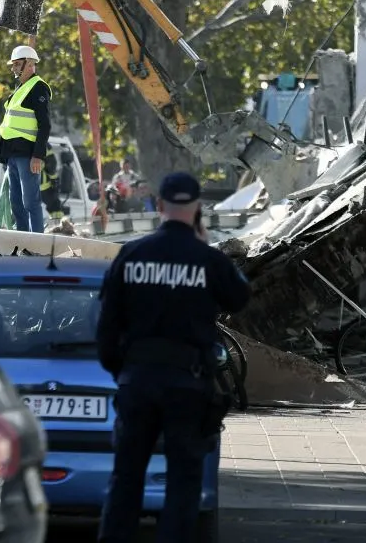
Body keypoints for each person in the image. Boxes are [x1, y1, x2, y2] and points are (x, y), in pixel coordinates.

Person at [95, 171, 251, 542]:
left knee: (126, 479)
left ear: (160, 206)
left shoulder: (131, 255)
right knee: (183, 483)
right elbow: (241, 297)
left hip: (138, 381)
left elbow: (105, 329)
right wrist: (205, 246)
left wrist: (124, 370)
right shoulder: (207, 260)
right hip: (188, 386)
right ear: (197, 208)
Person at [0, 44, 51, 234]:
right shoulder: (21, 88)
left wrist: (38, 155)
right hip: (12, 153)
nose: (13, 68)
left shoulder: (38, 88)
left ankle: (37, 243)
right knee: (16, 204)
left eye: (17, 64)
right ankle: (22, 241)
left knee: (31, 202)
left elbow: (45, 125)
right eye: (13, 65)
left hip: (28, 155)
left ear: (29, 64)